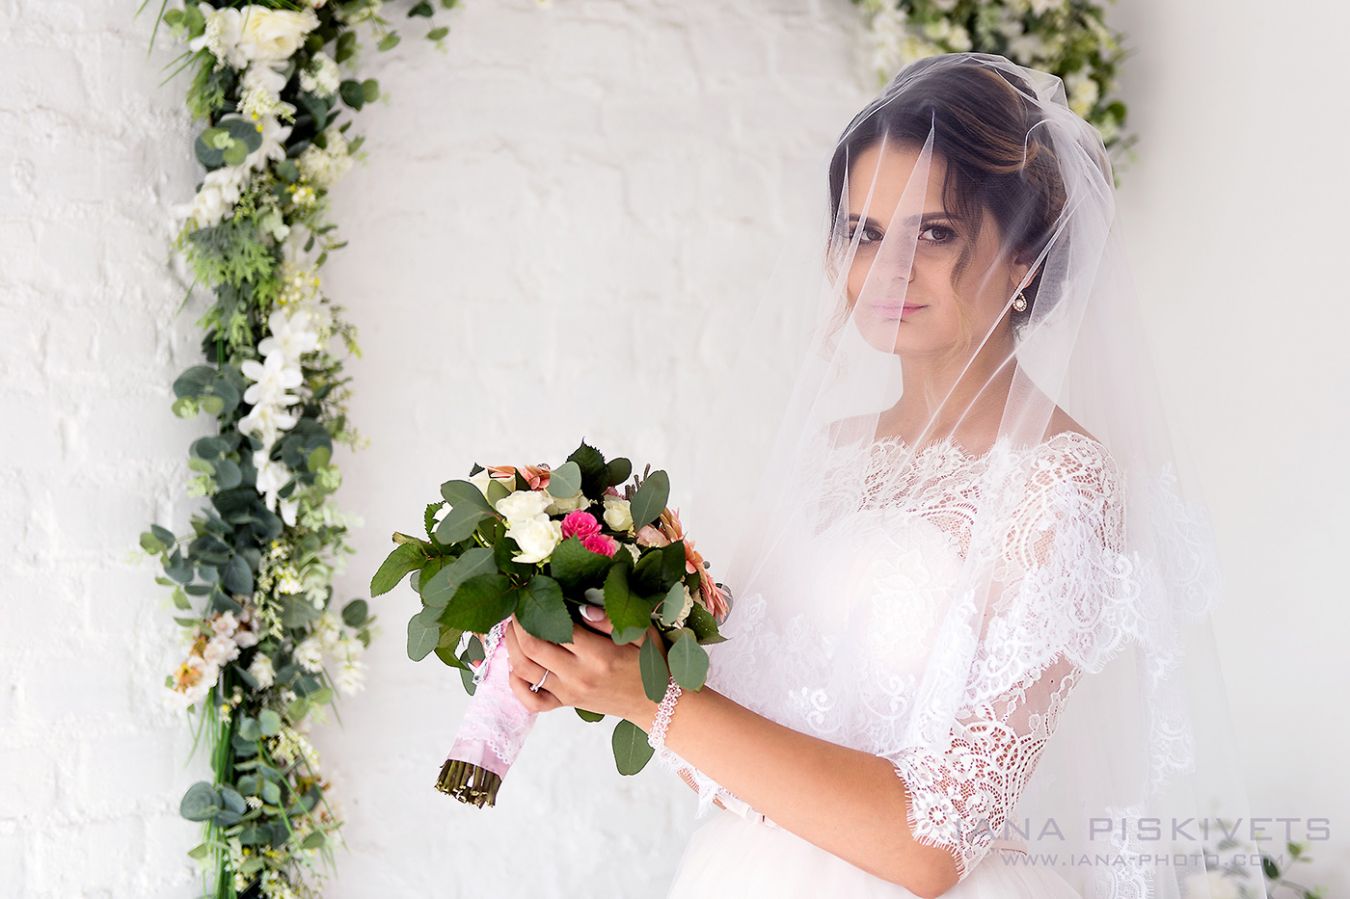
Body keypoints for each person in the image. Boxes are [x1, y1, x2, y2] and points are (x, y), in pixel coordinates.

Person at [502, 52, 1269, 899]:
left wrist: (653, 704)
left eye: (933, 233)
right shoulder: (832, 456)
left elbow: (934, 845)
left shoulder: (1063, 484)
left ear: (1025, 257)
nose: (889, 269)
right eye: (865, 233)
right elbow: (726, 761)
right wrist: (617, 655)